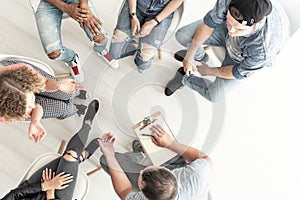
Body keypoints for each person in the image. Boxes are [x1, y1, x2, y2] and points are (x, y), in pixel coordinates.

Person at [164, 0, 291, 102]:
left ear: (259, 23)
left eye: (239, 29)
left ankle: (184, 78)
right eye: (230, 23)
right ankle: (201, 57)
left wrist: (208, 70)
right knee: (182, 35)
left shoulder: (264, 49)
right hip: (224, 30)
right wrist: (190, 56)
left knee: (213, 95)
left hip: (240, 57)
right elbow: (209, 24)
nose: (231, 31)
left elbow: (237, 72)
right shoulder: (230, 3)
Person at [0, 99, 100, 200]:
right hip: (56, 198)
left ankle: (86, 133)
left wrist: (46, 186)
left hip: (34, 188)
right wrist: (50, 192)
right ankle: (86, 132)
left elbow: (14, 195)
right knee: (70, 156)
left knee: (69, 156)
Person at [99, 124, 212, 200]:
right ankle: (143, 151)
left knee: (104, 160)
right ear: (169, 173)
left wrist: (110, 155)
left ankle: (142, 153)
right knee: (163, 147)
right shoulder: (198, 175)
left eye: (141, 176)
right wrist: (170, 143)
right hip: (183, 174)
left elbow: (124, 190)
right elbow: (205, 158)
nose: (142, 171)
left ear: (142, 191)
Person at [29, 0, 119, 83]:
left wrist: (84, 8)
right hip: (44, 2)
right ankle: (72, 59)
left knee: (99, 36)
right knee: (54, 53)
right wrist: (65, 7)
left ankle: (100, 49)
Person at [0, 60, 86, 143]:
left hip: (11, 76)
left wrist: (58, 85)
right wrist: (35, 121)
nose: (33, 106)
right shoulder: (6, 113)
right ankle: (75, 109)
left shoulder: (20, 73)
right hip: (13, 107)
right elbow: (37, 107)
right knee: (64, 109)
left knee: (67, 93)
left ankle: (76, 94)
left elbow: (45, 83)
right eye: (29, 107)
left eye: (32, 101)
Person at [109, 0, 184, 73]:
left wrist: (154, 22)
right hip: (137, 4)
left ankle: (141, 51)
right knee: (114, 54)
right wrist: (133, 16)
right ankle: (135, 46)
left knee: (143, 65)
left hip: (161, 11)